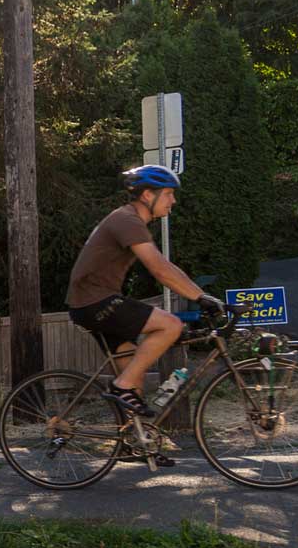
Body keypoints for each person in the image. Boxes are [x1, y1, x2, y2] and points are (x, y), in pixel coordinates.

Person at [65, 165, 224, 418]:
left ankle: (134, 437)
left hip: (90, 303)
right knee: (171, 325)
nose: (173, 200)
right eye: (168, 193)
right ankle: (121, 386)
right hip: (96, 301)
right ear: (148, 195)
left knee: (133, 375)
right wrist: (200, 297)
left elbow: (166, 266)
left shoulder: (129, 219)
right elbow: (159, 269)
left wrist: (201, 295)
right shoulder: (127, 220)